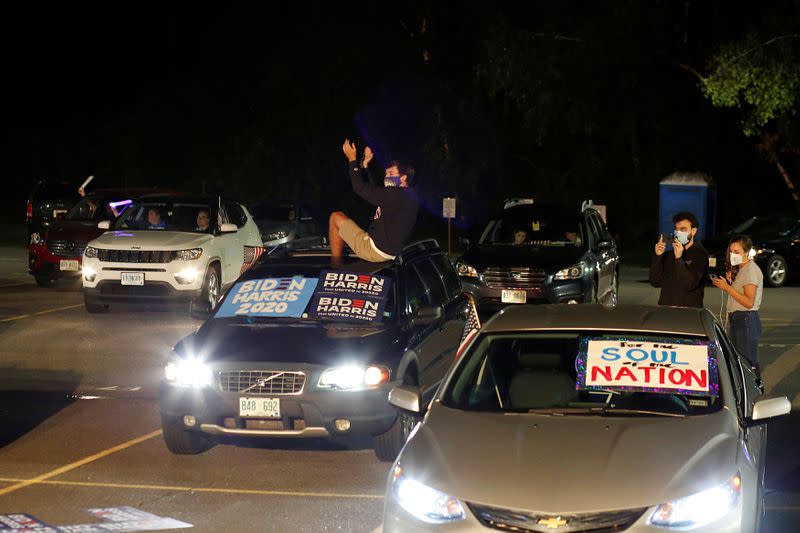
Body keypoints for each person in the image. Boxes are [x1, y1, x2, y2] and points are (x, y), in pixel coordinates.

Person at [329, 139, 419, 263]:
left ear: (403, 178)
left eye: (391, 173)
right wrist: (365, 166)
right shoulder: (405, 196)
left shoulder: (397, 195)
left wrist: (352, 160)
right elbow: (375, 191)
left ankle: (335, 266)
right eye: (386, 172)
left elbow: (360, 188)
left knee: (336, 217)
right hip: (388, 252)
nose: (387, 175)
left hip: (374, 250)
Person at [711, 235, 764, 371]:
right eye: (731, 251)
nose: (732, 255)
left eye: (737, 252)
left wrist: (727, 287)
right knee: (738, 361)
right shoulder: (742, 269)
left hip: (746, 319)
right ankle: (744, 391)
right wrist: (730, 283)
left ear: (746, 253)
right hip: (738, 318)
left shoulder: (750, 270)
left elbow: (748, 302)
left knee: (748, 363)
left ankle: (756, 391)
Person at [649, 211, 709, 307]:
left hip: (688, 311)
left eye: (683, 229)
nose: (678, 233)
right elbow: (655, 281)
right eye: (676, 229)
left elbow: (689, 284)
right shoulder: (670, 254)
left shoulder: (700, 254)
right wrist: (658, 256)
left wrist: (679, 259)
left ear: (693, 231)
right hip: (666, 309)